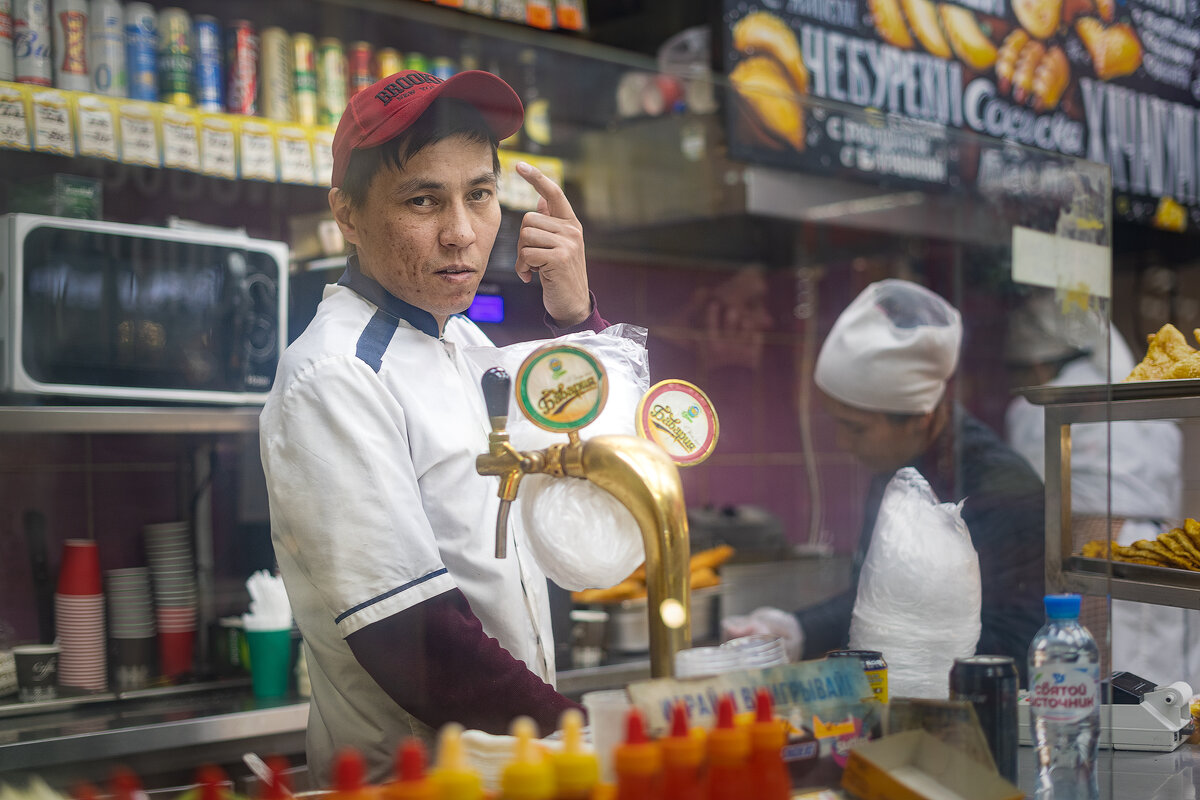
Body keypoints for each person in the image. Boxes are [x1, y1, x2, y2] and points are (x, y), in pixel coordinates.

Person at [258, 69, 610, 785]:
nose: (461, 233)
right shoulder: (334, 374)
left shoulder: (469, 348)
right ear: (347, 216)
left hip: (510, 768)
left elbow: (605, 471)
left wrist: (578, 319)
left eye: (479, 196)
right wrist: (580, 739)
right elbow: (412, 640)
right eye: (424, 200)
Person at [725, 279, 1046, 683]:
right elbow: (881, 600)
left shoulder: (1001, 487)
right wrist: (795, 630)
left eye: (856, 428)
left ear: (921, 417)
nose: (843, 443)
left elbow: (1018, 642)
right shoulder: (898, 470)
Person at [1004, 291, 1200, 687]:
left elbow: (1022, 499)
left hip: (1098, 548)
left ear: (1039, 364)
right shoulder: (1128, 381)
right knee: (1170, 688)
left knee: (1116, 692)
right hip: (1167, 545)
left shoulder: (1038, 405)